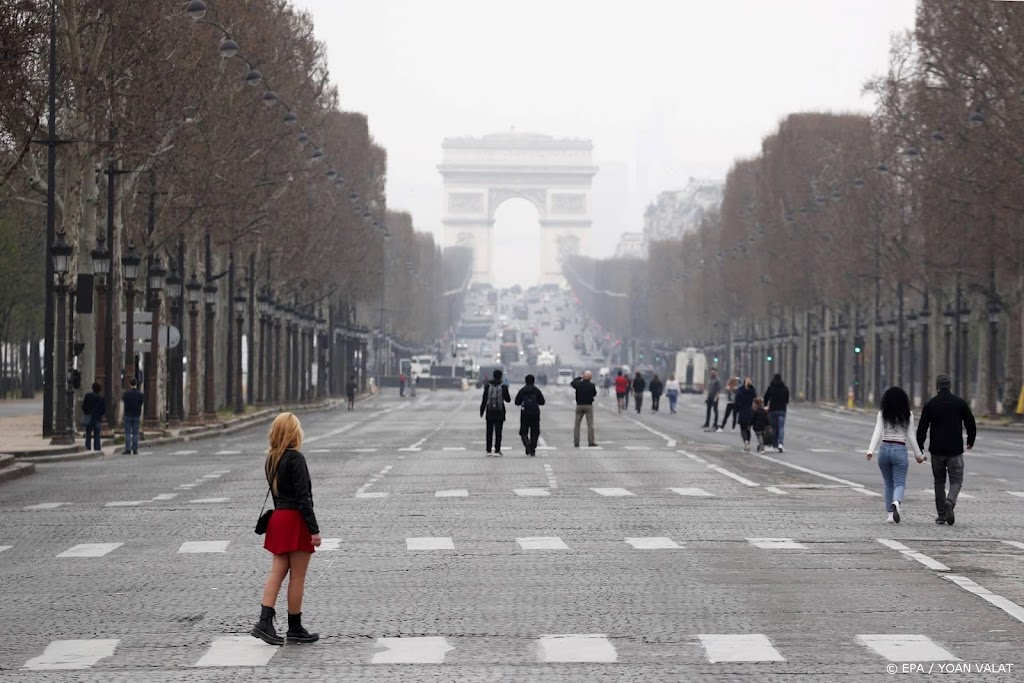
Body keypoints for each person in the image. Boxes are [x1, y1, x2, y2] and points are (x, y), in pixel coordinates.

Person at [252, 412, 322, 646]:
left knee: (276, 573)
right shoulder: (296, 459)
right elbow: (304, 497)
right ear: (294, 432)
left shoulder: (272, 458)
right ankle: (294, 626)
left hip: (278, 518)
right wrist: (314, 529)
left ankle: (265, 621)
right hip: (294, 520)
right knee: (297, 577)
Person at [916, 373, 976, 526]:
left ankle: (941, 514)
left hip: (936, 450)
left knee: (939, 482)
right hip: (955, 449)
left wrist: (920, 447)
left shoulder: (930, 404)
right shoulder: (959, 403)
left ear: (937, 387)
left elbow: (922, 427)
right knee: (956, 480)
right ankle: (950, 502)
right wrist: (970, 440)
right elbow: (970, 422)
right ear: (950, 386)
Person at [867, 386, 925, 524]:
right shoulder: (908, 415)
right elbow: (911, 436)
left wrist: (870, 450)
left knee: (888, 483)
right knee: (899, 482)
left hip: (884, 449)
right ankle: (897, 502)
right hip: (899, 449)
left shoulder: (882, 413)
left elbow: (877, 432)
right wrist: (919, 455)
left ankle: (889, 514)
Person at [480, 368, 511, 455]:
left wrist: (482, 410)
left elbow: (484, 399)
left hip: (489, 411)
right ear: (501, 376)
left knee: (489, 432)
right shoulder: (503, 386)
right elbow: (508, 400)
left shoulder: (488, 386)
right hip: (500, 412)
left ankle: (488, 450)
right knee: (498, 432)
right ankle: (497, 450)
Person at [514, 374, 546, 456]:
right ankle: (533, 448)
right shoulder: (536, 390)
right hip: (535, 413)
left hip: (524, 413)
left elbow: (517, 402)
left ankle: (527, 445)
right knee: (535, 431)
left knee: (523, 432)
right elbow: (542, 402)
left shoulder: (522, 390)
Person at [571, 370, 598, 447]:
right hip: (588, 405)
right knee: (590, 425)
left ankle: (576, 442)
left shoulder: (578, 384)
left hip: (579, 405)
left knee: (577, 425)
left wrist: (580, 377)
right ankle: (591, 441)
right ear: (590, 378)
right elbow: (594, 394)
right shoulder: (592, 385)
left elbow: (572, 383)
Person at [763, 373, 790, 452]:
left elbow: (766, 397)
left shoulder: (770, 388)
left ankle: (775, 445)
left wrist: (765, 405)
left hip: (773, 410)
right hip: (782, 410)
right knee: (781, 427)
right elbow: (787, 400)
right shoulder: (785, 388)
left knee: (774, 428)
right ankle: (780, 443)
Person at [121, 378, 144, 455]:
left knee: (127, 433)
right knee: (135, 433)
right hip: (136, 414)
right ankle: (135, 449)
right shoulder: (140, 394)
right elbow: (141, 403)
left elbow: (124, 401)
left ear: (129, 384)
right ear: (136, 384)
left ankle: (127, 449)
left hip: (128, 414)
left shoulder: (126, 393)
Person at [81, 382, 106, 452]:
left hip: (89, 416)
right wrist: (100, 414)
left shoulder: (88, 396)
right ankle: (97, 448)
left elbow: (83, 406)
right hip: (97, 417)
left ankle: (87, 447)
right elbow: (103, 409)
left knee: (88, 433)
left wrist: (86, 412)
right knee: (97, 434)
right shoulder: (101, 398)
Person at [734, 378, 756, 452]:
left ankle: (745, 441)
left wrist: (737, 409)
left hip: (742, 411)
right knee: (748, 428)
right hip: (750, 412)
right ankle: (748, 442)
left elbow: (736, 401)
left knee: (742, 429)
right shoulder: (753, 390)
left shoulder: (740, 390)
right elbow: (755, 400)